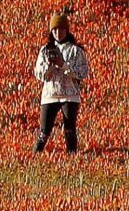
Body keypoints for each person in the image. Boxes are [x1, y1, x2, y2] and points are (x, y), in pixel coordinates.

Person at [33, 11, 91, 154]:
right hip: (50, 95)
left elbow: (83, 73)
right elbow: (39, 74)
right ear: (51, 31)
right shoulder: (45, 50)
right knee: (43, 133)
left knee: (70, 131)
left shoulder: (76, 51)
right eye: (55, 29)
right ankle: (32, 159)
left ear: (67, 30)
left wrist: (63, 65)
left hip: (70, 96)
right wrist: (50, 66)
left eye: (61, 29)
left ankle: (72, 159)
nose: (58, 32)